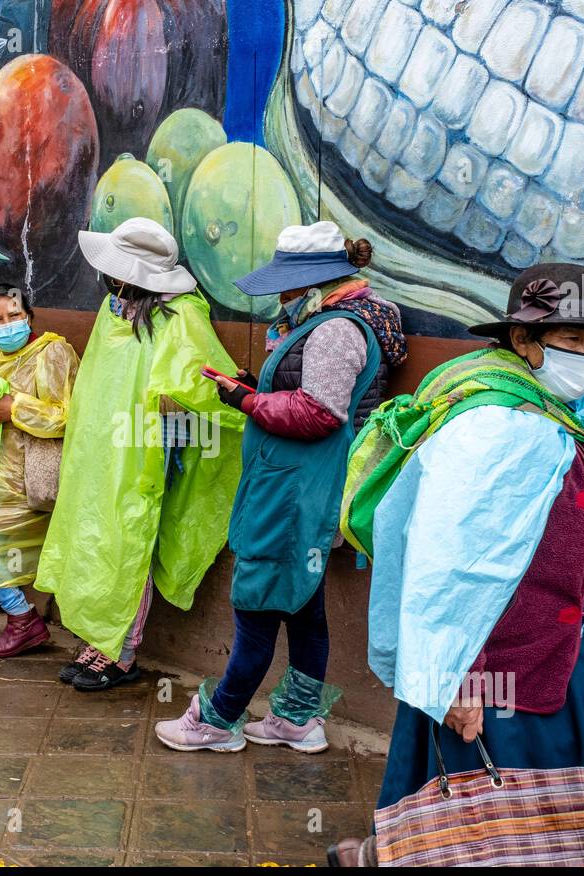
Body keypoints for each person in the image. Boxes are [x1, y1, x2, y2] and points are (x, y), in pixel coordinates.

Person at [327, 263, 584, 867]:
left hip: (571, 666)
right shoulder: (490, 424)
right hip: (493, 674)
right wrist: (458, 674)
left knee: (552, 827)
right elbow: (445, 564)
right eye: (573, 341)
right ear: (523, 341)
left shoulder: (577, 417)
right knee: (483, 824)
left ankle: (378, 858)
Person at [154, 221, 406, 752]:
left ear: (316, 283)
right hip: (298, 487)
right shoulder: (332, 322)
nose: (282, 300)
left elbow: (318, 411)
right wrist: (248, 389)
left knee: (256, 606)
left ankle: (217, 721)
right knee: (303, 609)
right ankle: (296, 719)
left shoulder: (337, 329)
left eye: (288, 290)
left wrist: (246, 400)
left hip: (293, 495)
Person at [34, 217, 246, 691]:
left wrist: (173, 402)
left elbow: (203, 384)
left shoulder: (181, 315)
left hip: (149, 449)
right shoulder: (117, 309)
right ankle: (97, 640)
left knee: (132, 542)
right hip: (104, 450)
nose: (111, 278)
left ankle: (122, 653)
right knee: (99, 536)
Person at [0, 285, 79, 656]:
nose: (7, 325)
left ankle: (24, 619)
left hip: (28, 484)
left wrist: (15, 408)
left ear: (29, 316)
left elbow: (68, 417)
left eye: (15, 316)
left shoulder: (53, 353)